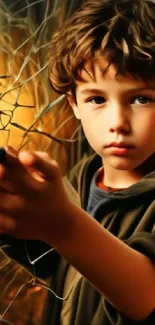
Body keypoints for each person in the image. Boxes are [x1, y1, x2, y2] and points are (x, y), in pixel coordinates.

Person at [0, 0, 155, 324]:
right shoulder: (83, 175)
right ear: (74, 103)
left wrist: (63, 223)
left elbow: (147, 295)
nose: (118, 122)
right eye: (97, 99)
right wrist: (17, 214)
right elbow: (54, 263)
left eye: (141, 99)